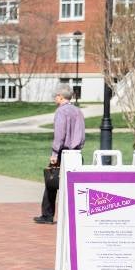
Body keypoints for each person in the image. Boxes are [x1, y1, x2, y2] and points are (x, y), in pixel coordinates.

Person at [34, 86, 85, 224]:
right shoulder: (78, 111)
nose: (54, 98)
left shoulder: (61, 112)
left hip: (63, 152)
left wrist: (54, 153)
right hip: (77, 152)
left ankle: (47, 215)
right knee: (74, 185)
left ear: (61, 97)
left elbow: (59, 135)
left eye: (55, 96)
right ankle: (75, 215)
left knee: (51, 182)